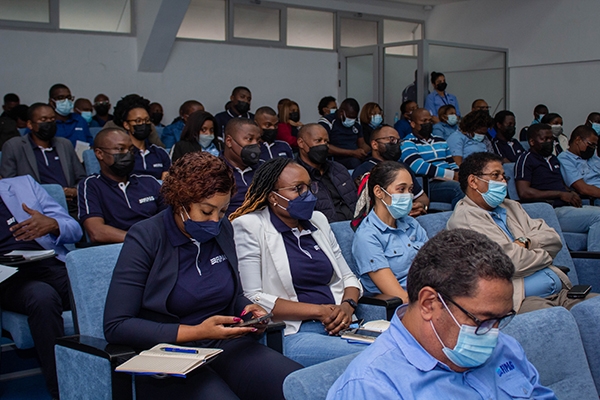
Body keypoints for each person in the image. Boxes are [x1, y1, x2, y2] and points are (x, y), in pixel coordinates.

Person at [104, 152, 302, 399]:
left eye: (222, 211)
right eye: (206, 211)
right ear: (180, 203)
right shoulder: (145, 237)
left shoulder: (222, 229)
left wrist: (248, 310)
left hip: (225, 345)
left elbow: (233, 295)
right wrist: (198, 331)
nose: (215, 220)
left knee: (298, 386)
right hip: (170, 356)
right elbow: (116, 326)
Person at [327, 228, 556, 400]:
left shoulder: (506, 348)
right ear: (429, 303)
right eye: (482, 320)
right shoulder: (374, 387)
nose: (493, 333)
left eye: (501, 319)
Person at [230, 157, 364, 367]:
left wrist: (347, 307)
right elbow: (252, 295)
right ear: (272, 196)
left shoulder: (317, 220)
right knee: (369, 357)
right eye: (297, 189)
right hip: (293, 331)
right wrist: (319, 311)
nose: (308, 195)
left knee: (398, 348)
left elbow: (347, 277)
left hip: (341, 324)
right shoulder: (250, 226)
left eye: (309, 187)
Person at [449, 152, 596, 311]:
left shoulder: (511, 206)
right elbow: (508, 263)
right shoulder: (464, 220)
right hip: (520, 302)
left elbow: (553, 239)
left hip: (561, 293)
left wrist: (527, 242)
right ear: (473, 181)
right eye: (496, 175)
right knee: (559, 321)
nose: (503, 182)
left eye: (504, 176)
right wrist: (545, 255)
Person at [0, 175, 82, 399]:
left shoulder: (24, 185)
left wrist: (53, 225)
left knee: (97, 287)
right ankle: (64, 390)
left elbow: (75, 230)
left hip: (50, 264)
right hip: (8, 278)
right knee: (42, 297)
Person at [515, 124, 600, 251]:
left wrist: (570, 192)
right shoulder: (526, 159)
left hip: (565, 207)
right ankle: (594, 262)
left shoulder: (553, 159)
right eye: (544, 139)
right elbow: (524, 192)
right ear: (532, 141)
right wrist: (559, 194)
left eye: (551, 139)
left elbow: (559, 185)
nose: (549, 142)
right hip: (548, 211)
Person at [352, 161, 428, 300]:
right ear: (379, 192)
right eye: (401, 189)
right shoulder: (368, 236)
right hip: (407, 305)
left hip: (432, 293)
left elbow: (434, 265)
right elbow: (399, 296)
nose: (408, 195)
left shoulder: (411, 224)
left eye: (410, 190)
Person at [78, 128, 163, 243]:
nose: (127, 154)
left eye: (131, 150)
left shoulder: (149, 182)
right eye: (120, 149)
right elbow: (96, 232)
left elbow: (173, 219)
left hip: (159, 246)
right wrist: (142, 241)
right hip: (120, 249)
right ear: (99, 154)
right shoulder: (91, 185)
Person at [1, 103, 86, 218]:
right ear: (30, 124)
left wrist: (74, 191)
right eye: (43, 119)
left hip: (71, 206)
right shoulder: (14, 146)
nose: (49, 123)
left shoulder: (64, 144)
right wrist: (56, 194)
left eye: (52, 119)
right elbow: (10, 187)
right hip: (36, 210)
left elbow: (81, 178)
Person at [352, 125, 429, 216]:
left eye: (398, 141)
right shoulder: (364, 170)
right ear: (375, 144)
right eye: (391, 139)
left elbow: (422, 197)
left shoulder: (403, 167)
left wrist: (421, 206)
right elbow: (363, 207)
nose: (396, 144)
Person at [401, 108, 464, 208]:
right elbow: (418, 166)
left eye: (430, 121)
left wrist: (459, 175)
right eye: (423, 121)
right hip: (429, 184)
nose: (428, 123)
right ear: (413, 124)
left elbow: (451, 163)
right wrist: (451, 175)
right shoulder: (407, 143)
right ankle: (462, 221)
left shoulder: (440, 140)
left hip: (450, 180)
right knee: (458, 188)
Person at [296, 124, 357, 222]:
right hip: (323, 232)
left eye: (326, 142)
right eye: (318, 141)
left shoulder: (339, 169)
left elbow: (355, 201)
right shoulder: (295, 175)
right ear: (301, 143)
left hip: (355, 226)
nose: (323, 145)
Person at [112, 95, 171, 180]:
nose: (143, 124)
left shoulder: (160, 153)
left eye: (147, 120)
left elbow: (167, 184)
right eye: (138, 121)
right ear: (126, 125)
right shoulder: (120, 153)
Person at [222, 118, 262, 215]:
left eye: (258, 141)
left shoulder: (264, 169)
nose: (255, 145)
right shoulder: (214, 171)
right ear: (229, 141)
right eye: (249, 139)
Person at [318, 98, 370, 169]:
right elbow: (324, 145)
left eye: (354, 117)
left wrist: (369, 150)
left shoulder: (356, 123)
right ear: (342, 112)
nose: (352, 120)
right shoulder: (328, 121)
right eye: (350, 117)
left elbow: (362, 143)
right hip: (335, 158)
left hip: (356, 156)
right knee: (354, 163)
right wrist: (352, 152)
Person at [557, 125, 600, 201]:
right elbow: (583, 189)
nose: (593, 148)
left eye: (595, 146)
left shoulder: (592, 156)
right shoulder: (565, 159)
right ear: (578, 140)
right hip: (592, 199)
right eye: (591, 144)